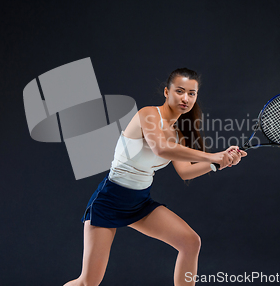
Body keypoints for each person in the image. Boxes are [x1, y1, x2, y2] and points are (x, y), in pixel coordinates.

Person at [63, 68, 247, 286]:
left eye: (192, 93)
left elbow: (185, 171)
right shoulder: (148, 114)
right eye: (180, 91)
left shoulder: (180, 133)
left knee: (190, 242)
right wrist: (213, 155)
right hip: (109, 201)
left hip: (140, 202)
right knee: (88, 282)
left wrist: (216, 164)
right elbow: (160, 149)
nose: (185, 98)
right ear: (167, 92)